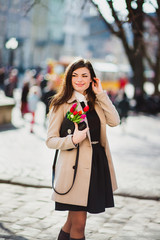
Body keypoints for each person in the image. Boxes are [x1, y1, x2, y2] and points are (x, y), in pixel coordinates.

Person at [46, 58, 120, 240]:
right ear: (69, 78)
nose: (79, 79)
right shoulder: (60, 103)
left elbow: (115, 121)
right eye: (75, 75)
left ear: (92, 79)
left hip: (96, 165)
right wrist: (72, 139)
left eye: (84, 76)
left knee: (71, 222)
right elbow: (50, 140)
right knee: (79, 224)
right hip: (74, 168)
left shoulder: (96, 101)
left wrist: (101, 94)